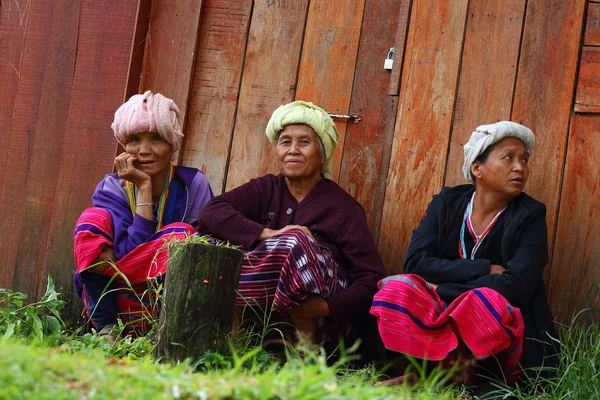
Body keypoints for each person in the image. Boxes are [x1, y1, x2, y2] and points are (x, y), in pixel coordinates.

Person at [371, 121, 557, 385]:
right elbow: (415, 261)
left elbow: (517, 286)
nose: (520, 167)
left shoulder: (530, 215)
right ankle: (415, 368)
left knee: (486, 302)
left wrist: (439, 288)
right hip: (447, 307)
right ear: (477, 168)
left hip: (497, 330)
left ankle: (436, 379)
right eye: (508, 158)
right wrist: (483, 268)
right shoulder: (447, 203)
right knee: (397, 287)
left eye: (524, 160)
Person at [197, 101, 386, 351]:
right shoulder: (266, 188)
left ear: (323, 153)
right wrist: (268, 234)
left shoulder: (344, 208)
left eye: (304, 142)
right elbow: (212, 212)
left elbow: (372, 278)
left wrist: (326, 308)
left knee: (295, 241)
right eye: (285, 142)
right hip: (264, 315)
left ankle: (308, 357)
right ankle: (237, 346)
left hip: (326, 325)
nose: (293, 150)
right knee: (205, 240)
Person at [73, 91, 213, 338]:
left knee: (183, 235)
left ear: (172, 145)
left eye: (157, 139)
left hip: (167, 301)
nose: (144, 150)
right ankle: (107, 329)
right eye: (134, 140)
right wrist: (144, 189)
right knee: (90, 221)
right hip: (117, 296)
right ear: (124, 147)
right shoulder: (112, 188)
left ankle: (167, 332)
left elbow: (199, 256)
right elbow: (131, 251)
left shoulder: (193, 184)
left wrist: (111, 262)